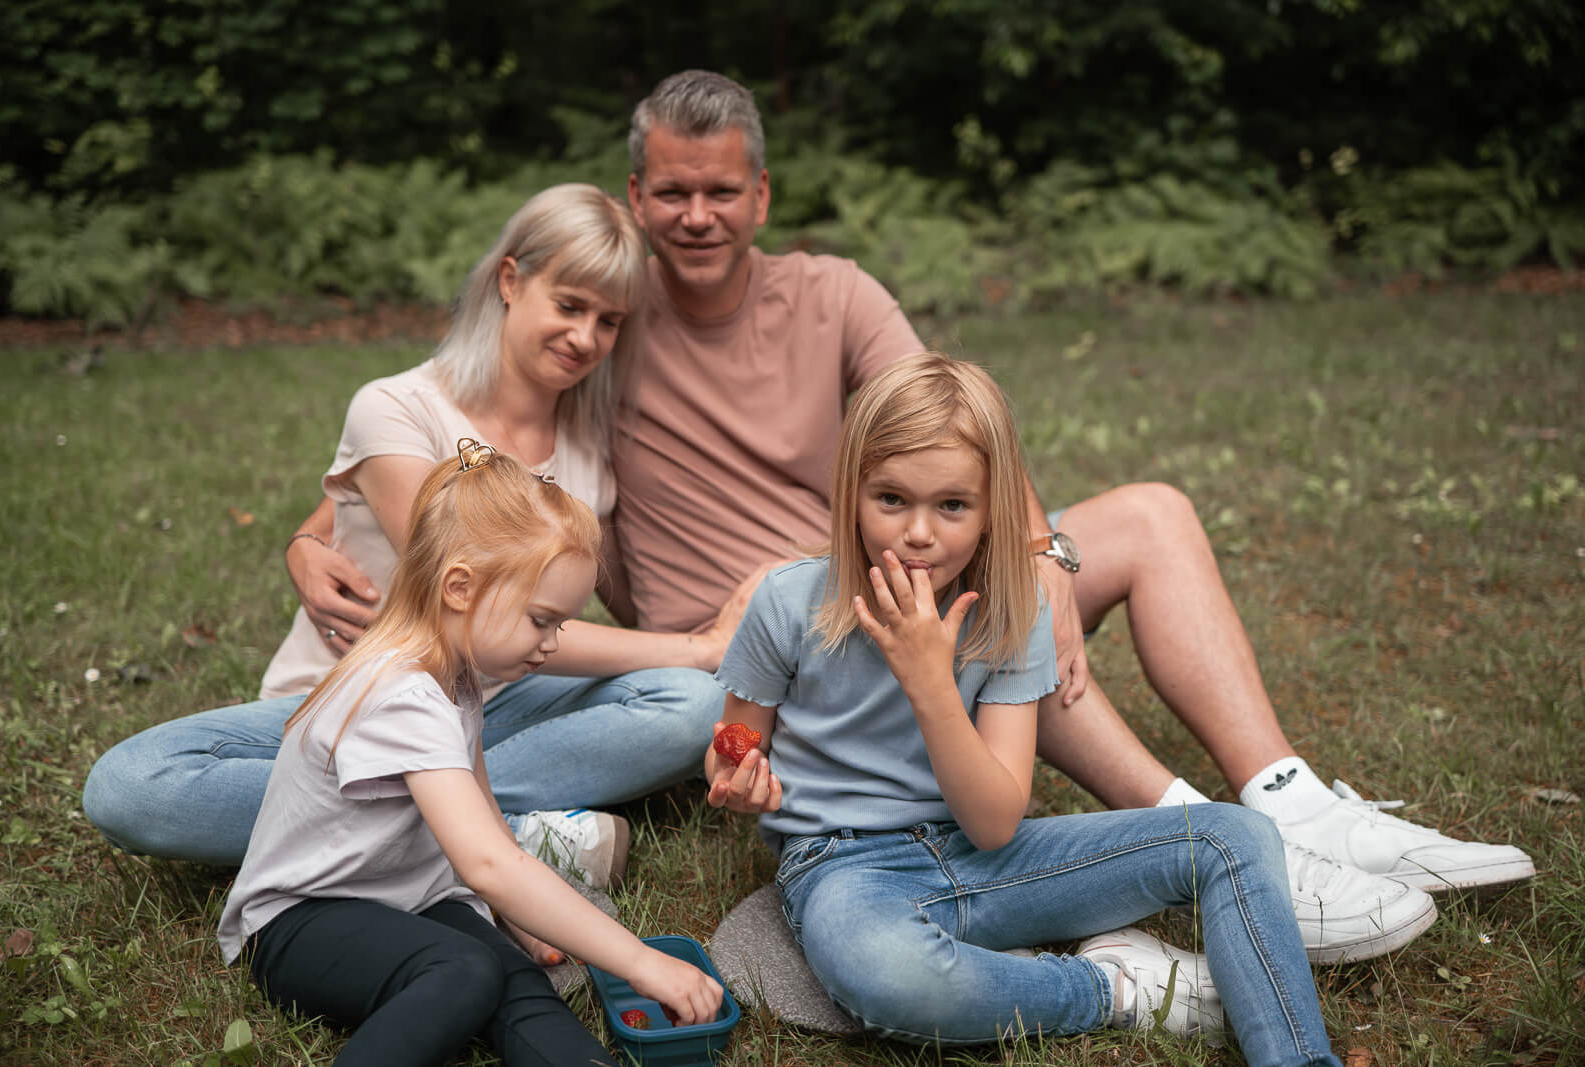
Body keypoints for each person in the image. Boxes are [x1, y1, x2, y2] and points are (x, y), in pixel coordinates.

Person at [285, 72, 1533, 958]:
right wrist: (315, 527)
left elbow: (958, 425)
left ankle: (1289, 801)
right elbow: (458, 433)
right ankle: (1205, 843)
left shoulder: (830, 295)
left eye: (721, 191)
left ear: (761, 195)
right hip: (771, 638)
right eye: (670, 193)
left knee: (1143, 515)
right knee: (995, 645)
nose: (696, 217)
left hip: (908, 558)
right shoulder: (607, 326)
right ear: (636, 196)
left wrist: (1037, 551)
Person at [84, 184, 750, 887]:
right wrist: (699, 646)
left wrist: (739, 636)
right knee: (130, 783)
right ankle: (502, 834)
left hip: (503, 706)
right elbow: (481, 608)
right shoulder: (396, 409)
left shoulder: (588, 444)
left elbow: (575, 614)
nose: (585, 337)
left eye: (608, 320)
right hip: (359, 704)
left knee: (689, 702)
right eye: (569, 305)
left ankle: (418, 832)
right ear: (510, 279)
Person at [706, 354, 1339, 1064]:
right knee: (889, 976)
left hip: (988, 853)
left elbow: (995, 818)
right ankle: (1115, 987)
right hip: (843, 869)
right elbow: (735, 739)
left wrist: (931, 681)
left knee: (1237, 837)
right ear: (849, 492)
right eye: (891, 499)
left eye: (952, 505)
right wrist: (737, 772)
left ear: (991, 508)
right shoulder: (789, 601)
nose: (919, 532)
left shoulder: (1016, 608)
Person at [218, 442, 724, 1066]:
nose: (551, 644)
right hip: (301, 922)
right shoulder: (402, 691)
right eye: (542, 620)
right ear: (460, 586)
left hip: (412, 900)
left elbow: (488, 836)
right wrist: (641, 962)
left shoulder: (455, 676)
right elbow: (488, 867)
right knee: (464, 970)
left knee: (514, 978)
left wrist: (520, 918)